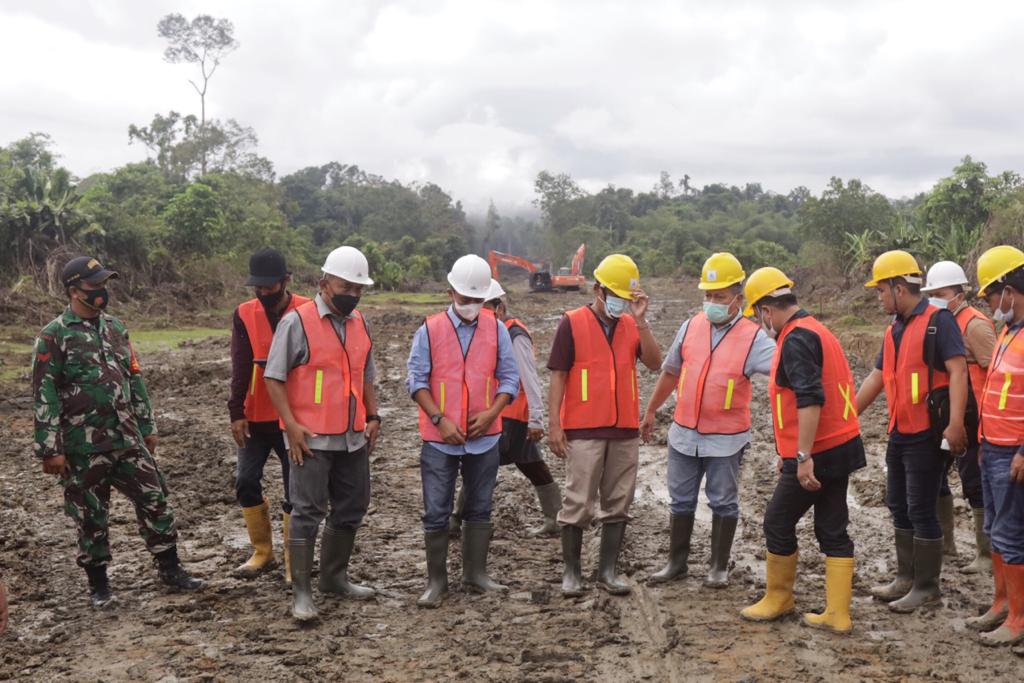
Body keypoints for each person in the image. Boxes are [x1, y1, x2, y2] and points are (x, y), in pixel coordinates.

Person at [32, 256, 203, 607]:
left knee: (155, 499)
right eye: (94, 287)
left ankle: (170, 570)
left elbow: (134, 377)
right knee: (90, 514)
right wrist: (50, 448)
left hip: (127, 437)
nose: (101, 292)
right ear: (73, 291)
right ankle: (99, 586)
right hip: (83, 445)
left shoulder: (115, 328)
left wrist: (147, 425)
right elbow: (44, 392)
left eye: (103, 285)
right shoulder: (54, 336)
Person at [737, 268, 865, 633]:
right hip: (841, 445)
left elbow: (809, 399)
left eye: (758, 315)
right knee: (832, 528)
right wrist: (791, 448)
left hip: (819, 452)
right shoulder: (816, 329)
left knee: (776, 521)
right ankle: (838, 615)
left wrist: (803, 456)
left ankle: (779, 598)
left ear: (766, 309)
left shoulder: (794, 339)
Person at [641, 253, 774, 588]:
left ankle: (718, 567)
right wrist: (651, 410)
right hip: (684, 433)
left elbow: (783, 371)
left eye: (720, 296)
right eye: (708, 295)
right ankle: (676, 563)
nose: (712, 302)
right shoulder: (690, 326)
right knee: (681, 499)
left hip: (726, 438)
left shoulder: (754, 337)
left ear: (737, 300)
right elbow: (670, 371)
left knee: (723, 500)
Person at [264, 246, 380, 621]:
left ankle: (334, 577)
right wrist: (291, 426)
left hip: (352, 436)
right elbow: (274, 378)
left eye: (359, 289)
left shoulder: (360, 322)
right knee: (307, 511)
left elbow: (366, 375)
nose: (353, 294)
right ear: (325, 282)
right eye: (347, 286)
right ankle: (301, 592)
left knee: (352, 506)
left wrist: (373, 416)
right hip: (310, 439)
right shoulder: (296, 322)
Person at [856, 250, 969, 614]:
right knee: (898, 503)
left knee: (921, 507)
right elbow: (877, 377)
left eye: (881, 290)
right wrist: (847, 416)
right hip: (899, 431)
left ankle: (927, 586)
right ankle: (906, 577)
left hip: (927, 432)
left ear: (899, 287)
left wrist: (954, 425)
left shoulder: (939, 321)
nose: (879, 297)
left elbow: (958, 371)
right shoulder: (895, 328)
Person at [407, 255, 520, 608]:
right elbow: (416, 381)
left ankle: (475, 573)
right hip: (440, 439)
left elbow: (510, 377)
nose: (471, 306)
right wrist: (440, 419)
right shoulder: (430, 330)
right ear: (451, 291)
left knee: (480, 506)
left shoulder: (497, 329)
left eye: (477, 300)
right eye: (465, 298)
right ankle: (437, 581)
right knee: (436, 510)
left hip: (484, 438)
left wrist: (491, 414)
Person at [549, 254, 662, 597]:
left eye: (625, 297)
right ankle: (572, 573)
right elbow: (558, 375)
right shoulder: (572, 322)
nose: (619, 302)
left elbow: (655, 363)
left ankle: (608, 572)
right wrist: (555, 423)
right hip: (583, 429)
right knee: (577, 502)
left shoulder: (630, 325)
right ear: (598, 289)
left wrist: (641, 321)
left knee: (618, 502)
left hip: (624, 430)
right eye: (613, 294)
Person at [229, 248, 311, 581]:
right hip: (256, 413)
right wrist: (236, 410)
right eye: (258, 287)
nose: (263, 293)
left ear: (285, 280)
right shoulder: (244, 313)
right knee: (246, 481)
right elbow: (240, 363)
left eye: (270, 286)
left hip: (294, 417)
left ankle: (294, 559)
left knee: (296, 488)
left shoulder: (308, 309)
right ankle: (263, 552)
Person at [965, 246, 1024, 646]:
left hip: (1015, 451)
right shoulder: (1007, 331)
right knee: (997, 530)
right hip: (994, 446)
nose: (988, 304)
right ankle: (1002, 602)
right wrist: (985, 441)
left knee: (1013, 533)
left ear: (1010, 290)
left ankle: (1018, 619)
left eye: (989, 295)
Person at [921, 261, 996, 571]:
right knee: (936, 477)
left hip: (973, 417)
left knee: (974, 481)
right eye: (932, 294)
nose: (936, 299)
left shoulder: (975, 325)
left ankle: (985, 554)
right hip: (945, 416)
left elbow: (997, 374)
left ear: (958, 293)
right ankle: (947, 545)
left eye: (941, 293)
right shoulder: (938, 323)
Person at [485, 279, 562, 536]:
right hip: (499, 412)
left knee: (486, 463)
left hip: (514, 415)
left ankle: (456, 518)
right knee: (526, 464)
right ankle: (555, 518)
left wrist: (536, 419)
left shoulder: (514, 335)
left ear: (499, 308)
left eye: (485, 308)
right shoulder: (492, 331)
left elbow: (529, 377)